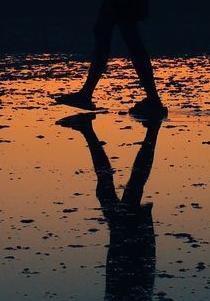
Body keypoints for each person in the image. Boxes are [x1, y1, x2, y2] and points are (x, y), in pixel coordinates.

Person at [57, 112, 161, 300]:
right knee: (126, 188)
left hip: (131, 262)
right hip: (130, 261)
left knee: (123, 188)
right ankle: (151, 129)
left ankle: (89, 129)